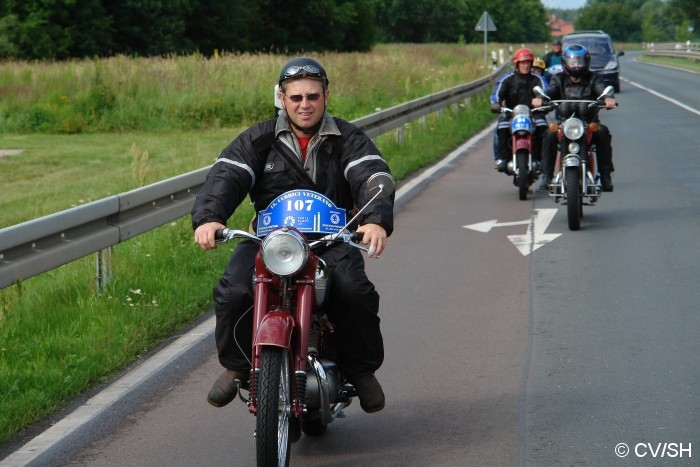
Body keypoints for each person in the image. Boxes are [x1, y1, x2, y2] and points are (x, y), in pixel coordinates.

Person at [191, 57, 394, 414]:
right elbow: (227, 175)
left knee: (354, 291)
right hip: (269, 244)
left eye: (313, 96)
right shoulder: (259, 139)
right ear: (282, 98)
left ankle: (360, 371)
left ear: (326, 96)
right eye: (296, 97)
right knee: (234, 290)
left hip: (329, 243)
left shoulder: (346, 139)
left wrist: (374, 219)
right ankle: (238, 366)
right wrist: (209, 218)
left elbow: (369, 173)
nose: (305, 104)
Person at [533, 44, 617, 191]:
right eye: (573, 61)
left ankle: (605, 175)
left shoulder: (593, 78)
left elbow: (602, 90)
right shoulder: (558, 79)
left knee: (602, 132)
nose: (576, 65)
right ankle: (546, 175)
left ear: (586, 61)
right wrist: (541, 98)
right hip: (564, 124)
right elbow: (550, 91)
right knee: (549, 134)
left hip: (589, 122)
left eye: (579, 61)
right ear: (565, 62)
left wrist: (608, 97)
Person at [490, 48, 548, 172]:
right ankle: (502, 159)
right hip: (512, 113)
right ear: (517, 64)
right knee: (502, 126)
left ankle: (543, 159)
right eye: (522, 63)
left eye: (528, 62)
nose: (526, 65)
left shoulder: (537, 78)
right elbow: (497, 93)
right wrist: (496, 103)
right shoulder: (507, 78)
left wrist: (541, 100)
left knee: (543, 126)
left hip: (533, 113)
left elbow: (546, 92)